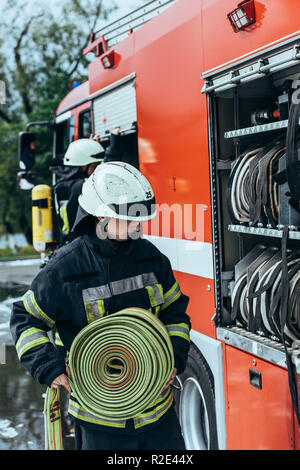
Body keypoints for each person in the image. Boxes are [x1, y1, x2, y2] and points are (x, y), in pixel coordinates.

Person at [10, 161, 191, 450]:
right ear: (100, 215)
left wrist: (175, 356)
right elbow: (25, 319)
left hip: (159, 419)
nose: (137, 226)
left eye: (140, 219)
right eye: (129, 219)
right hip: (101, 425)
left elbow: (175, 312)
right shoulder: (65, 268)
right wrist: (48, 366)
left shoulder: (151, 258)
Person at [50, 138, 105, 246]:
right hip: (83, 244)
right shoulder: (82, 186)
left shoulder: (61, 185)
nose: (97, 169)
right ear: (83, 166)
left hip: (68, 243)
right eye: (95, 165)